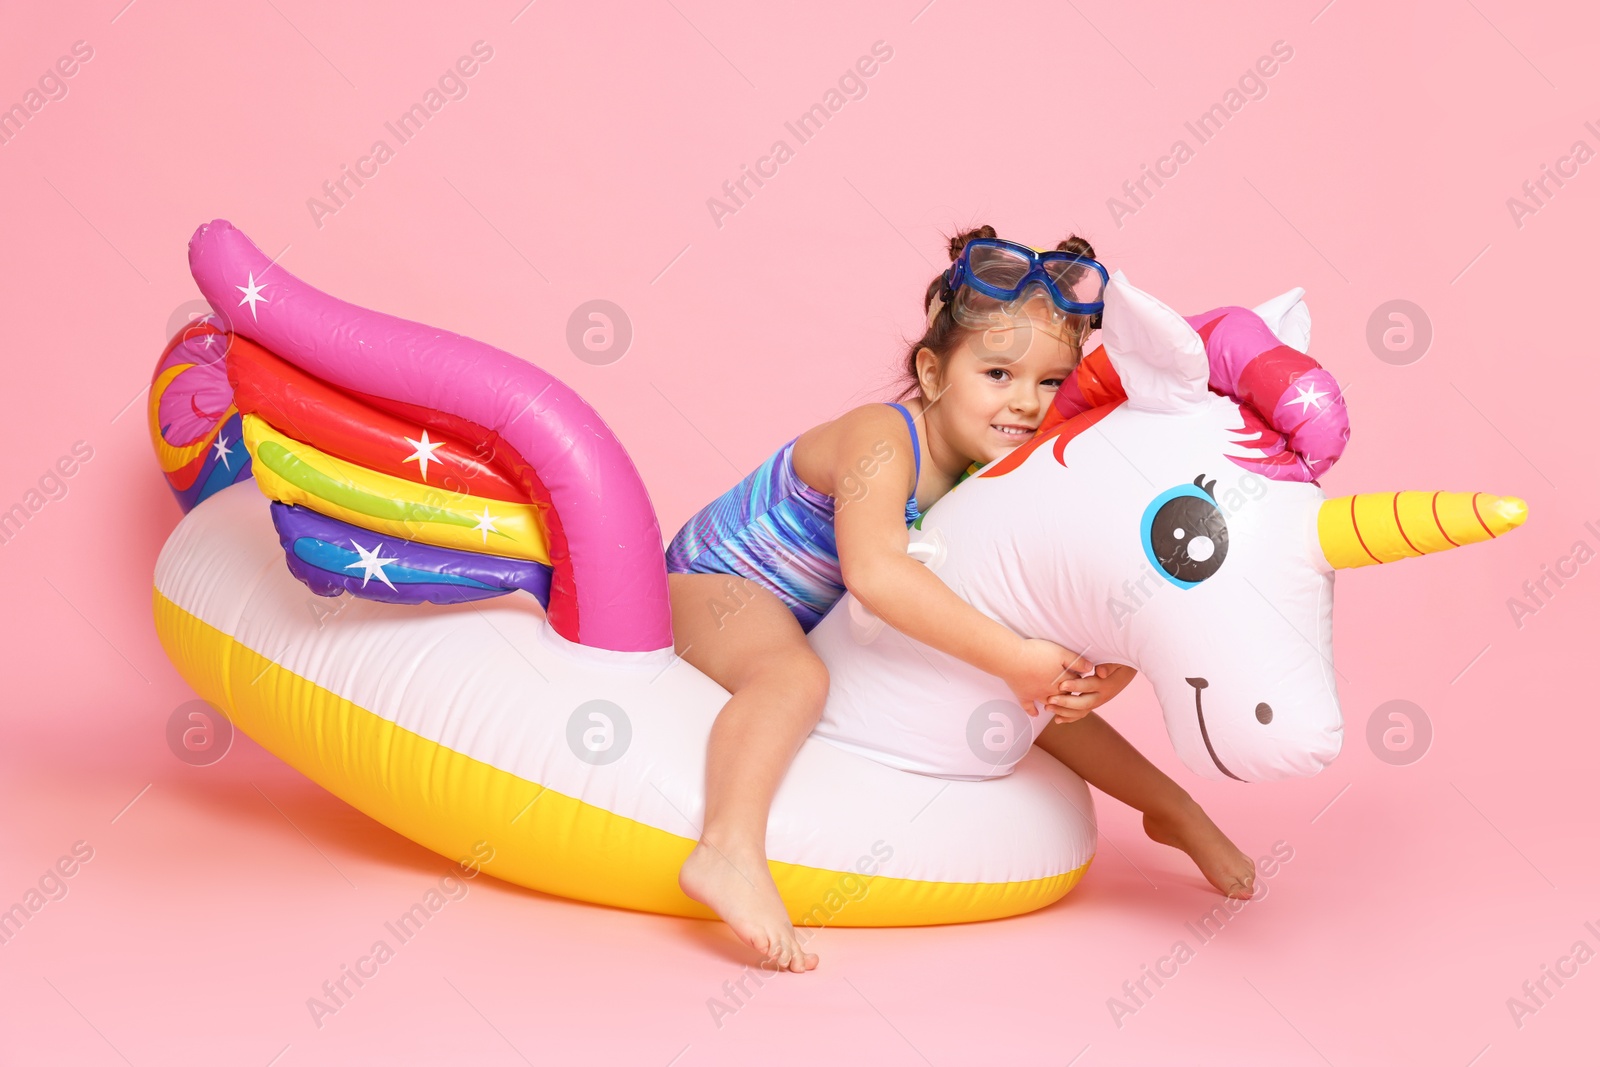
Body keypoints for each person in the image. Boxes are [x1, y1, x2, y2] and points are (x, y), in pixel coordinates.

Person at [664, 226, 1256, 974]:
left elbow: (1058, 591)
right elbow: (877, 572)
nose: (1028, 403)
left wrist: (1103, 668)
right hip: (718, 589)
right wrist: (1015, 657)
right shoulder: (882, 435)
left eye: (1050, 382)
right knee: (795, 678)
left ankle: (1171, 806)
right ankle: (727, 849)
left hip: (826, 624)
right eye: (999, 373)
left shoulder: (992, 480)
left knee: (1022, 689)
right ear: (934, 371)